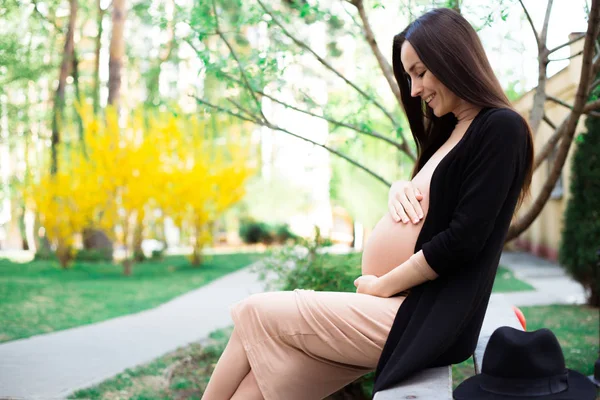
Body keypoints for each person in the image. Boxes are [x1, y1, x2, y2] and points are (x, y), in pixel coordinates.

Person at [202, 7, 534, 400]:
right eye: (409, 75)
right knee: (257, 383)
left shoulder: (500, 127)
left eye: (420, 72)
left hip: (419, 319)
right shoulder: (452, 131)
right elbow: (432, 201)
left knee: (253, 313)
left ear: (454, 59)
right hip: (396, 312)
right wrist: (400, 186)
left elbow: (464, 239)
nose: (414, 90)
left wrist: (381, 286)